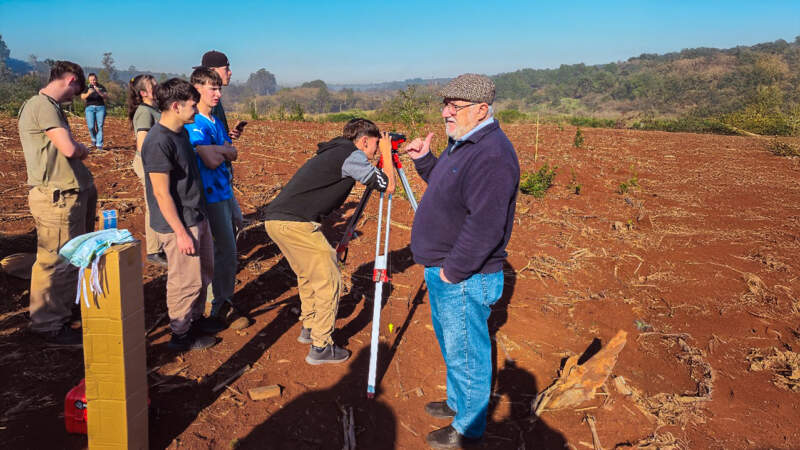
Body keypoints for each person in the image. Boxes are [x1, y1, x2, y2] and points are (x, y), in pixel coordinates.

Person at [403, 73, 520, 448]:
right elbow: (448, 186)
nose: (446, 113)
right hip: (446, 270)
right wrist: (425, 161)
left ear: (482, 109)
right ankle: (458, 403)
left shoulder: (494, 155)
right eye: (446, 105)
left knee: (468, 352)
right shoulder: (465, 142)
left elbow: (485, 225)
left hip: (464, 275)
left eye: (456, 107)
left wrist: (453, 272)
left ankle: (468, 428)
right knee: (454, 344)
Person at [264, 118, 395, 365]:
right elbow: (387, 186)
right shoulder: (352, 154)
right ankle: (321, 346)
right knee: (329, 279)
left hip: (277, 221)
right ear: (364, 140)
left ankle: (311, 327)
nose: (376, 150)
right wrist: (388, 156)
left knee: (308, 275)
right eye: (376, 145)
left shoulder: (334, 150)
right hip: (296, 223)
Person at [18, 61, 96, 347]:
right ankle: (48, 324)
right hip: (56, 196)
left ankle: (61, 312)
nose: (76, 95)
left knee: (68, 257)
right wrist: (83, 149)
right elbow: (69, 148)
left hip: (68, 192)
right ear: (71, 80)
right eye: (77, 89)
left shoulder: (49, 106)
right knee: (56, 259)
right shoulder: (42, 105)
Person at [141, 78, 220, 352]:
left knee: (203, 273)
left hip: (195, 216)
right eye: (191, 105)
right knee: (184, 281)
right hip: (179, 224)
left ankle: (195, 319)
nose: (196, 110)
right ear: (175, 106)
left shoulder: (181, 133)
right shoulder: (158, 141)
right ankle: (180, 333)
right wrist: (181, 232)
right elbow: (162, 194)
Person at [185, 67, 250, 330]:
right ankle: (218, 304)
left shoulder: (215, 121)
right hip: (208, 196)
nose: (217, 93)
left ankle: (221, 300)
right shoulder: (194, 123)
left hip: (224, 191)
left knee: (227, 249)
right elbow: (211, 161)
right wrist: (220, 150)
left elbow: (231, 153)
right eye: (212, 88)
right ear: (197, 89)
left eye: (219, 88)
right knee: (223, 250)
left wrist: (219, 150)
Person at [127, 74, 167, 266]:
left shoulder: (153, 108)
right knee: (154, 204)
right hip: (148, 164)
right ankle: (154, 250)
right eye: (154, 87)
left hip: (153, 163)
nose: (158, 89)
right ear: (143, 93)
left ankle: (159, 246)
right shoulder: (144, 112)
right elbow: (143, 143)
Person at [80, 73, 109, 150]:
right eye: (91, 80)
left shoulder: (101, 87)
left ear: (97, 79)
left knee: (99, 126)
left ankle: (99, 144)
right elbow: (82, 97)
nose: (93, 81)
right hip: (89, 108)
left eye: (94, 79)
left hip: (100, 108)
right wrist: (89, 93)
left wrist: (99, 92)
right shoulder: (86, 88)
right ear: (89, 80)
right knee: (91, 126)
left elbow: (106, 96)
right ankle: (94, 138)